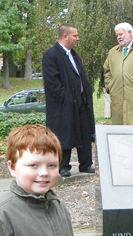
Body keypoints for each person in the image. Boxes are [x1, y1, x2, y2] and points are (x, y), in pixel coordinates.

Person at [42, 23, 95, 177]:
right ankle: (63, 166)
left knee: (84, 133)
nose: (77, 39)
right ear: (65, 37)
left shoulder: (73, 55)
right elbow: (52, 83)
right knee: (64, 134)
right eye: (75, 36)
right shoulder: (52, 55)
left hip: (81, 103)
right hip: (63, 106)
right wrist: (66, 98)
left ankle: (86, 164)